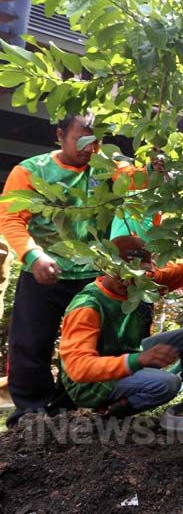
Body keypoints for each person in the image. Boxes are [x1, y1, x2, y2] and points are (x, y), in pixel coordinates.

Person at [0, 114, 103, 426]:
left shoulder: (105, 171)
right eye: (81, 140)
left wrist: (154, 168)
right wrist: (33, 255)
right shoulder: (30, 171)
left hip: (90, 274)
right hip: (43, 270)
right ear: (60, 135)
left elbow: (139, 182)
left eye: (95, 142)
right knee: (30, 342)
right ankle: (30, 412)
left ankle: (69, 407)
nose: (89, 148)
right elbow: (12, 219)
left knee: (87, 345)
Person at [59, 236, 183, 416]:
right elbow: (78, 368)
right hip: (91, 384)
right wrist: (139, 360)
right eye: (124, 273)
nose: (130, 281)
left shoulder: (141, 286)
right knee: (167, 384)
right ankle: (110, 412)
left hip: (126, 355)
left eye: (138, 274)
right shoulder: (87, 306)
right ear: (108, 267)